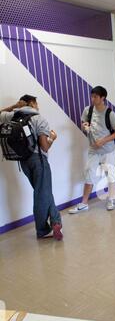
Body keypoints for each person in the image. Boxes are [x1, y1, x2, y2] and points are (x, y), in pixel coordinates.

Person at [0, 95, 63, 240]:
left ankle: (55, 221)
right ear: (32, 103)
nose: (38, 106)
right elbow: (44, 147)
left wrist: (14, 106)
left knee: (43, 192)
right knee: (42, 193)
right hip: (39, 160)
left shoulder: (12, 116)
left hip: (23, 161)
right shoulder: (39, 119)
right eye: (37, 103)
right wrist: (52, 138)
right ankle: (42, 230)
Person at [69, 86, 115, 213]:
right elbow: (84, 122)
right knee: (89, 173)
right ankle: (84, 203)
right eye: (92, 96)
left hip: (108, 150)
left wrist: (103, 140)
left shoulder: (110, 113)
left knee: (110, 175)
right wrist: (85, 126)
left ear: (103, 98)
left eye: (95, 97)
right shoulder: (88, 110)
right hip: (93, 150)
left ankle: (111, 200)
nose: (92, 99)